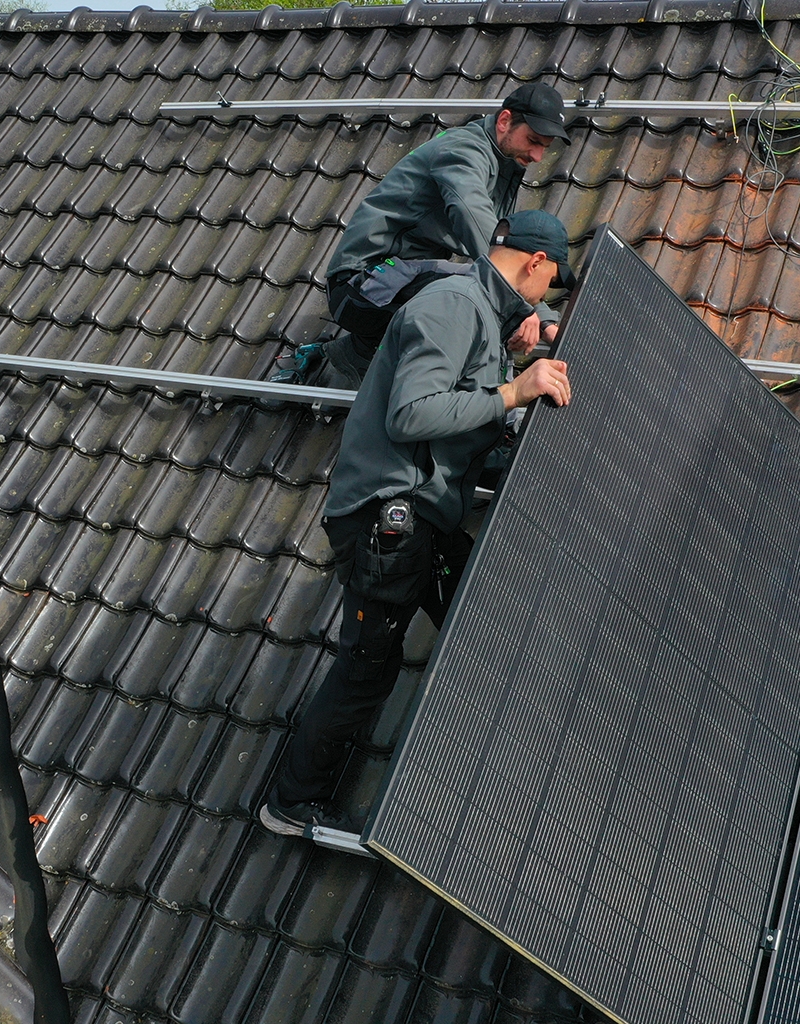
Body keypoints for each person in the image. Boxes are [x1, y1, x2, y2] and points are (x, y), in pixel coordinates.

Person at [260, 209, 577, 837]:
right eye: (551, 283)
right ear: (535, 264)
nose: (546, 301)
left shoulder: (479, 316)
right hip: (389, 517)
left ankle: (501, 795)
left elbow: (463, 418)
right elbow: (412, 414)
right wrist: (513, 391)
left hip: (418, 518)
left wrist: (505, 369)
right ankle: (290, 804)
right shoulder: (454, 304)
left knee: (485, 623)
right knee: (368, 668)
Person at [281, 83, 573, 389]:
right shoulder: (463, 152)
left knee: (489, 294)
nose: (539, 155)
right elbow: (483, 229)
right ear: (504, 121)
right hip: (360, 286)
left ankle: (355, 355)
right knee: (485, 301)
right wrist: (524, 308)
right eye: (533, 141)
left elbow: (511, 248)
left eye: (545, 146)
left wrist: (542, 316)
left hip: (399, 281)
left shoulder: (504, 162)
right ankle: (493, 407)